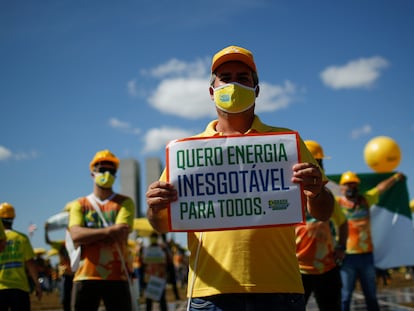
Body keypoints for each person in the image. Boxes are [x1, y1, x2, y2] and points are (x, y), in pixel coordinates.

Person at [146, 45, 334, 310]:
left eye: (242, 78)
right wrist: (155, 206)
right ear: (212, 92)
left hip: (281, 289)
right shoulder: (186, 152)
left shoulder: (287, 143)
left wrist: (316, 191)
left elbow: (324, 211)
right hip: (210, 291)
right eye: (226, 78)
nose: (233, 85)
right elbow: (162, 224)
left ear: (256, 90)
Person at [67, 149, 135, 311]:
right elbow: (76, 235)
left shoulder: (125, 202)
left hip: (117, 276)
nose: (107, 173)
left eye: (111, 171)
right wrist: (109, 231)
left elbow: (121, 234)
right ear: (93, 173)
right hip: (85, 275)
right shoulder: (79, 204)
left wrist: (88, 235)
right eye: (102, 169)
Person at [336, 170, 405, 311]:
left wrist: (396, 177)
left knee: (371, 295)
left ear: (358, 187)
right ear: (341, 188)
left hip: (366, 256)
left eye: (353, 185)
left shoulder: (366, 200)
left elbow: (381, 188)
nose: (350, 188)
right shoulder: (337, 203)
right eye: (347, 185)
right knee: (345, 296)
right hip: (346, 258)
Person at [296, 140, 348, 311]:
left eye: (320, 163)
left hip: (327, 268)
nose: (319, 167)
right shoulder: (289, 192)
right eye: (317, 162)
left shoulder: (327, 194)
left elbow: (342, 222)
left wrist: (341, 246)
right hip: (298, 270)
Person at [0, 202, 42, 310]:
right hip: (19, 288)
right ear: (13, 218)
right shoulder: (22, 238)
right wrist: (37, 284)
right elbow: (30, 263)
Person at [45, 222, 74, 311]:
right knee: (65, 296)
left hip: (74, 273)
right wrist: (45, 231)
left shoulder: (75, 243)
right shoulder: (61, 244)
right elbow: (48, 241)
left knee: (73, 296)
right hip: (64, 274)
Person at [142, 232, 168, 311]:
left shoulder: (148, 249)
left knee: (153, 298)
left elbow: (144, 262)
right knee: (156, 298)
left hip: (154, 276)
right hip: (157, 276)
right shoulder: (160, 249)